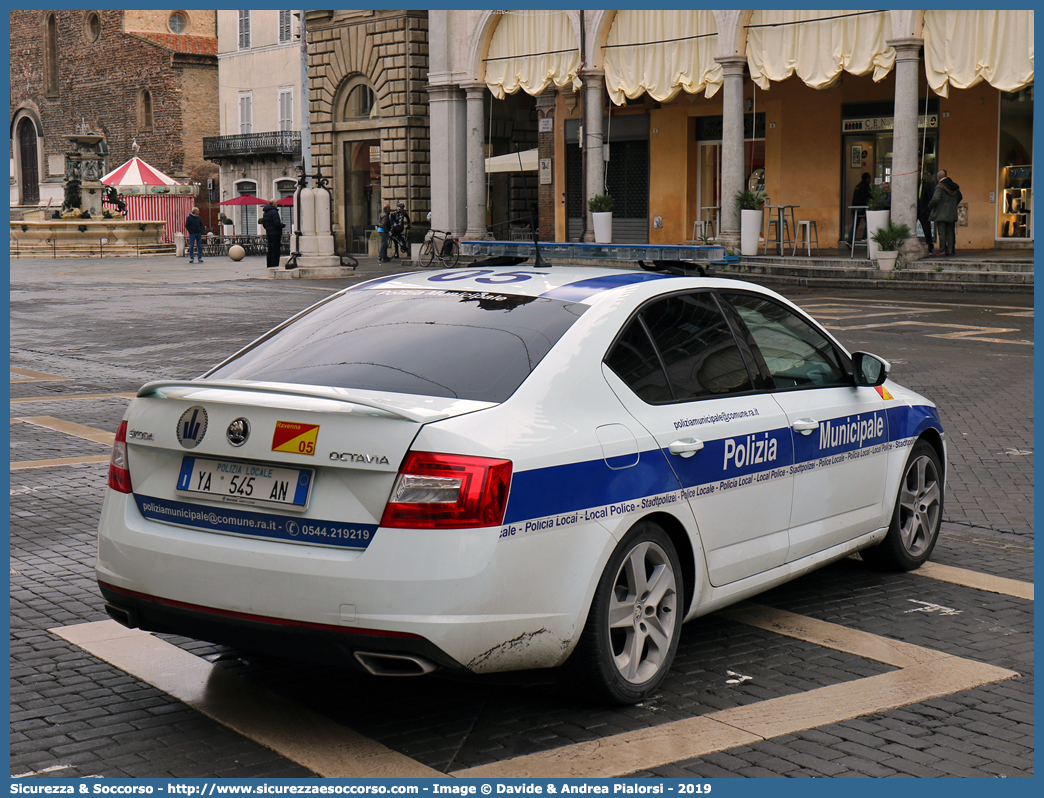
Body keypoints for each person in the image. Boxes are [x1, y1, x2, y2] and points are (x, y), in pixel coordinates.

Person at [928, 169, 961, 257]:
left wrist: (930, 206)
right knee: (950, 231)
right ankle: (950, 249)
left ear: (938, 177)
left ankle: (942, 250)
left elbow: (936, 198)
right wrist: (953, 205)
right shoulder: (953, 185)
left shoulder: (940, 186)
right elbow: (959, 196)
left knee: (942, 232)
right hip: (952, 212)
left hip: (941, 212)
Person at [847, 172, 872, 245]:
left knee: (854, 225)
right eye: (870, 178)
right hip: (862, 207)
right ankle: (864, 237)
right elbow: (866, 198)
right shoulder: (866, 186)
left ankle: (849, 241)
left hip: (854, 207)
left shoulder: (858, 185)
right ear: (867, 179)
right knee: (869, 221)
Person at [261, 199, 286, 268]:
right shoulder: (274, 212)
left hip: (269, 233)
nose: (277, 204)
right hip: (276, 233)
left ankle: (269, 264)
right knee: (275, 249)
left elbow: (264, 224)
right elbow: (277, 224)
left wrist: (268, 229)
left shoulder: (265, 213)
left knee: (270, 249)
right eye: (277, 203)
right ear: (274, 204)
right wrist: (283, 225)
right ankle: (275, 264)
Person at [917, 171, 937, 255]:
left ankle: (930, 246)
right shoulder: (911, 184)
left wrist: (928, 209)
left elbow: (929, 197)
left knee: (926, 229)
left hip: (923, 210)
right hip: (913, 210)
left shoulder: (924, 185)